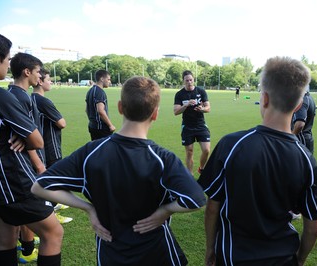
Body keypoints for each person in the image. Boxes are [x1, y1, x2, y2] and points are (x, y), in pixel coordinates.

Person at [31, 76, 206, 265]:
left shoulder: (91, 152)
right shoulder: (163, 159)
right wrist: (164, 211)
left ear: (120, 107)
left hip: (111, 253)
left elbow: (39, 186)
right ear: (155, 113)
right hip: (157, 253)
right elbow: (196, 199)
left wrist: (88, 208)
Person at [198, 56, 317, 266]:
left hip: (233, 256)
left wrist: (211, 248)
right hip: (283, 258)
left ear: (264, 98)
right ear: (299, 104)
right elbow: (313, 228)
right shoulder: (306, 159)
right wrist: (299, 259)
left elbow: (213, 207)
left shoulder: (231, 145)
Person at [0, 33, 63, 266]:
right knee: (53, 233)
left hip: (0, 185)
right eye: (6, 59)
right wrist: (27, 141)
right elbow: (36, 140)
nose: (7, 64)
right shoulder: (2, 96)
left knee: (4, 238)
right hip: (13, 181)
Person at [31, 68, 73, 224]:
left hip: (38, 147)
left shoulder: (30, 98)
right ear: (40, 81)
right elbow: (62, 123)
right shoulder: (43, 101)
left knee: (43, 178)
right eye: (48, 79)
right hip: (50, 145)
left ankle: (51, 206)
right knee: (51, 178)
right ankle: (51, 211)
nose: (51, 82)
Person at [174, 70, 211, 174]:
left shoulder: (201, 91)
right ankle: (190, 175)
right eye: (187, 80)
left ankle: (202, 169)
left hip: (200, 124)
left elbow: (208, 108)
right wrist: (186, 105)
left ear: (193, 80)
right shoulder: (179, 94)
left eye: (191, 80)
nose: (189, 82)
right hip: (187, 126)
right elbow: (176, 112)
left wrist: (202, 109)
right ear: (183, 81)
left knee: (206, 150)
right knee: (189, 151)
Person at [85, 69, 116, 140]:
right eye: (108, 79)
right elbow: (100, 111)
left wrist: (93, 121)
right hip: (101, 128)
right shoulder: (100, 92)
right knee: (106, 150)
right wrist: (110, 125)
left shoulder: (90, 91)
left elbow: (87, 110)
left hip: (92, 126)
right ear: (102, 79)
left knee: (96, 149)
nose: (110, 82)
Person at [292, 85, 316, 154]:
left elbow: (300, 124)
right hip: (307, 138)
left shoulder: (302, 100)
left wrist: (290, 137)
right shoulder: (309, 97)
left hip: (302, 141)